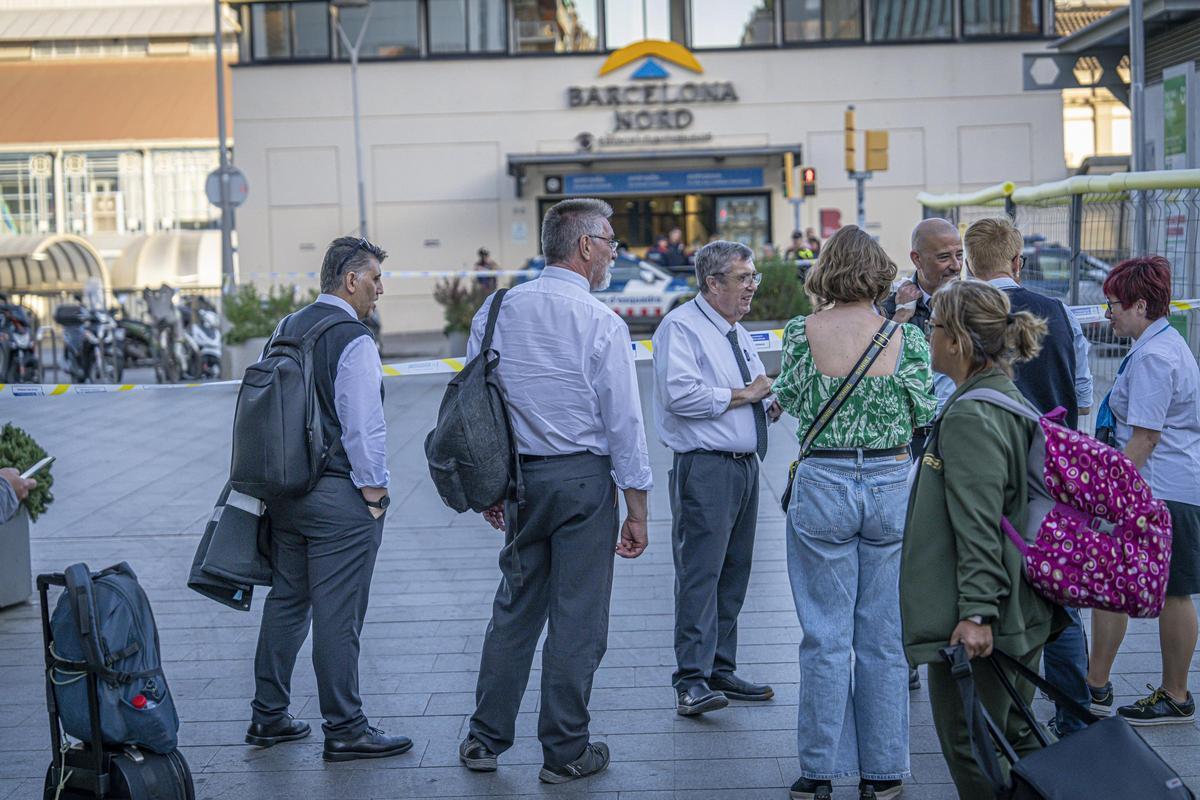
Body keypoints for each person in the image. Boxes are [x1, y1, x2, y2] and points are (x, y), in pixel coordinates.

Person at [460, 198, 652, 785]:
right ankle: (565, 750)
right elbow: (625, 425)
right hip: (582, 485)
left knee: (514, 610)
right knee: (578, 619)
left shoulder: (495, 312)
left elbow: (475, 411)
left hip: (519, 482)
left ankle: (485, 739)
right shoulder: (601, 323)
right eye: (612, 242)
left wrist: (489, 486)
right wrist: (637, 507)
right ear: (586, 246)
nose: (616, 252)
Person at [774, 225, 936, 800]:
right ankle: (883, 773)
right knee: (883, 637)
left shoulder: (800, 332)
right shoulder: (907, 337)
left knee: (823, 636)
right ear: (880, 273)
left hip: (823, 482)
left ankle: (817, 771)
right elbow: (924, 410)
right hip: (891, 482)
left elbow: (789, 399)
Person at [246, 236, 406, 763]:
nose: (380, 290)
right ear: (351, 280)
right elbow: (364, 428)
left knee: (289, 602)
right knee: (340, 616)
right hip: (339, 497)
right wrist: (376, 494)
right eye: (375, 279)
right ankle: (346, 728)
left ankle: (268, 717)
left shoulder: (287, 327)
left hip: (287, 493)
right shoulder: (352, 338)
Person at [901, 280, 1063, 797]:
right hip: (1021, 607)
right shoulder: (1003, 395)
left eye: (935, 326)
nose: (928, 334)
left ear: (959, 342)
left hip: (986, 619)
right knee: (1016, 734)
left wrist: (974, 613)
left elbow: (979, 524)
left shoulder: (971, 413)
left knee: (972, 746)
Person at [963, 217, 1095, 736]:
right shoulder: (1059, 312)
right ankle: (1073, 714)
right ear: (1019, 261)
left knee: (990, 591)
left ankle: (1008, 717)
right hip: (1056, 477)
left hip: (991, 476)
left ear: (971, 264)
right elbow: (1082, 393)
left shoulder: (964, 315)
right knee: (1059, 596)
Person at [652, 241, 782, 717]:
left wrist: (769, 402)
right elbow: (680, 396)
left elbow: (750, 395)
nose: (752, 286)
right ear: (712, 283)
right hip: (706, 467)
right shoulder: (681, 327)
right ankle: (690, 679)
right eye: (743, 277)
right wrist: (747, 394)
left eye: (754, 278)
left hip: (743, 468)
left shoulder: (735, 331)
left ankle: (720, 668)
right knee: (700, 575)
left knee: (733, 572)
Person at [1085, 256, 1200, 726]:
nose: (1106, 313)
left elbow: (1145, 438)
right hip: (1163, 487)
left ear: (1138, 304)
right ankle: (1097, 684)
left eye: (1112, 304)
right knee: (1120, 585)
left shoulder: (1155, 356)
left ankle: (1174, 694)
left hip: (1160, 490)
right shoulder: (1164, 344)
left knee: (1173, 591)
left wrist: (1104, 493)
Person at [884, 218, 963, 449]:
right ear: (917, 259)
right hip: (909, 439)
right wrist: (899, 319)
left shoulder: (973, 304)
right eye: (944, 257)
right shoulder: (890, 309)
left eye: (960, 255)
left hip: (960, 429)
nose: (956, 265)